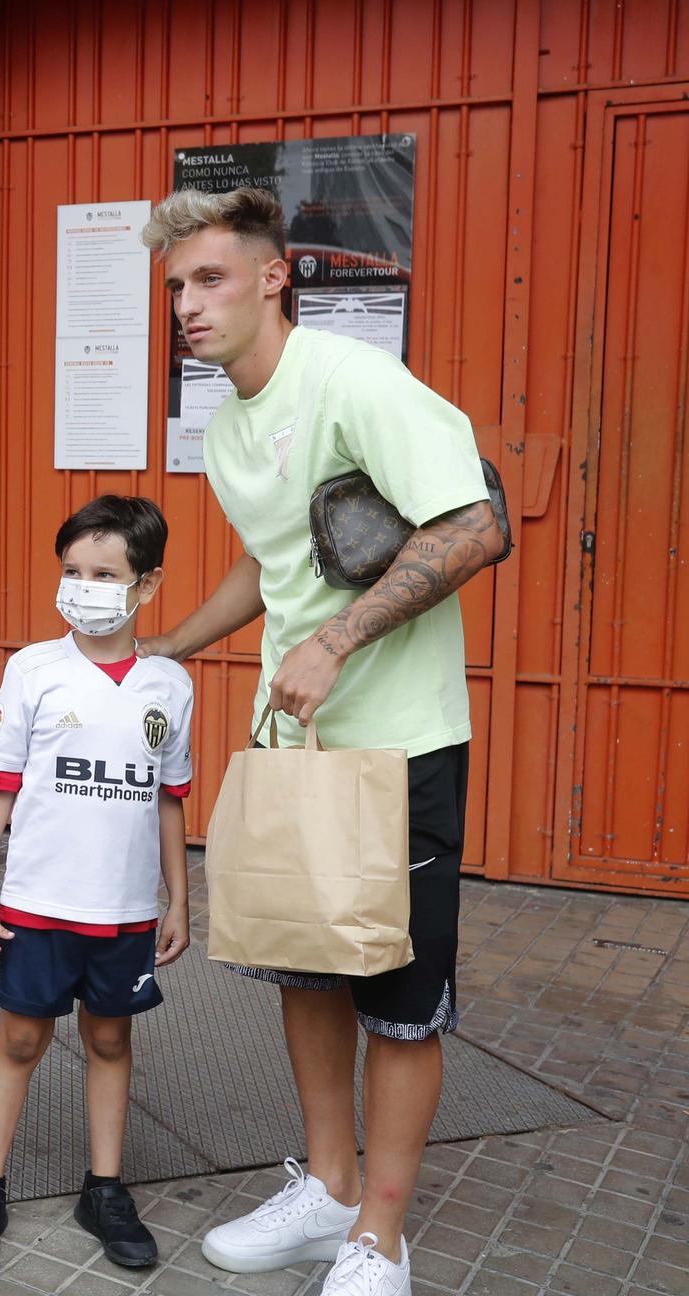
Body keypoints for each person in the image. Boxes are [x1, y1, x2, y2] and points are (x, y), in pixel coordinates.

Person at [136, 187, 501, 1296]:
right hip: (297, 747)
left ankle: (377, 1240)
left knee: (394, 998)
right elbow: (268, 560)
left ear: (271, 275)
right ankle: (328, 1190)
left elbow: (478, 521)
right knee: (304, 971)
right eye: (173, 290)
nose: (187, 308)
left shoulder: (349, 382)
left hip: (393, 749)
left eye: (206, 280)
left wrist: (337, 638)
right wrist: (166, 648)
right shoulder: (233, 418)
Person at [0, 496, 194, 1276]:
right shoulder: (33, 671)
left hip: (123, 911)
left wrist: (178, 898)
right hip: (37, 904)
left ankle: (106, 1188)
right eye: (73, 571)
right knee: (21, 1037)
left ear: (145, 586)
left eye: (105, 573)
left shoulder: (168, 687)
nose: (84, 586)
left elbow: (168, 797)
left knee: (111, 1039)